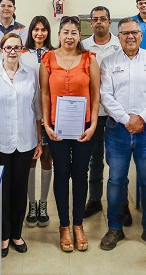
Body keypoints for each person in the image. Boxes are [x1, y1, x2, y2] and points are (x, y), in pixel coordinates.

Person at [99, 17, 146, 254]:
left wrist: (141, 117)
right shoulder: (108, 62)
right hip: (117, 129)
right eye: (125, 33)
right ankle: (115, 227)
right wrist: (126, 119)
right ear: (118, 37)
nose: (130, 36)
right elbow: (106, 96)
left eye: (134, 33)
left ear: (141, 35)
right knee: (116, 181)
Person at [0, 33, 43, 258]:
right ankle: (3, 235)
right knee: (2, 192)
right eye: (8, 48)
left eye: (17, 48)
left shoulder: (30, 75)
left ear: (22, 50)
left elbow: (37, 111)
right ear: (1, 50)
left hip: (25, 142)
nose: (13, 51)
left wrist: (39, 141)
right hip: (0, 144)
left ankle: (17, 233)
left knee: (20, 190)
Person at [40, 15, 99, 252]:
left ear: (79, 35)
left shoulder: (89, 59)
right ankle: (64, 226)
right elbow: (44, 94)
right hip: (57, 128)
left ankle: (78, 225)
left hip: (84, 126)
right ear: (59, 34)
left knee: (81, 173)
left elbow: (95, 94)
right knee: (62, 172)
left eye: (74, 32)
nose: (70, 36)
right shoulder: (48, 58)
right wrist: (46, 124)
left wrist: (93, 125)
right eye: (66, 32)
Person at [81, 7, 122, 220]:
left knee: (118, 160)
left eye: (103, 19)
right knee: (94, 159)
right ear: (91, 23)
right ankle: (95, 200)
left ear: (109, 22)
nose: (99, 22)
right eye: (95, 19)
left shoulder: (120, 44)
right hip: (94, 112)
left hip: (117, 112)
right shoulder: (83, 46)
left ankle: (120, 203)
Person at [20, 15, 54, 228]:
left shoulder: (54, 53)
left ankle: (43, 204)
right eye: (36, 29)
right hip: (28, 114)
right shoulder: (22, 54)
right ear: (30, 31)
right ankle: (31, 204)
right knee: (31, 160)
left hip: (49, 114)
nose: (39, 33)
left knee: (47, 160)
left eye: (43, 29)